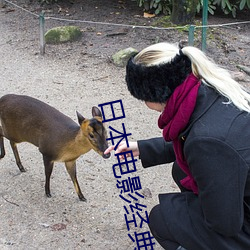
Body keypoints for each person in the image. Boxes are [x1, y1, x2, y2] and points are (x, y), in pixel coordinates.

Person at [104, 42, 250, 250]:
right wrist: (143, 148)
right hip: (241, 187)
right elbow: (199, 139)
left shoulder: (207, 142)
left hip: (240, 223)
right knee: (181, 170)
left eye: (143, 98)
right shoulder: (210, 88)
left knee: (163, 218)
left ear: (155, 93)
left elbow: (225, 224)